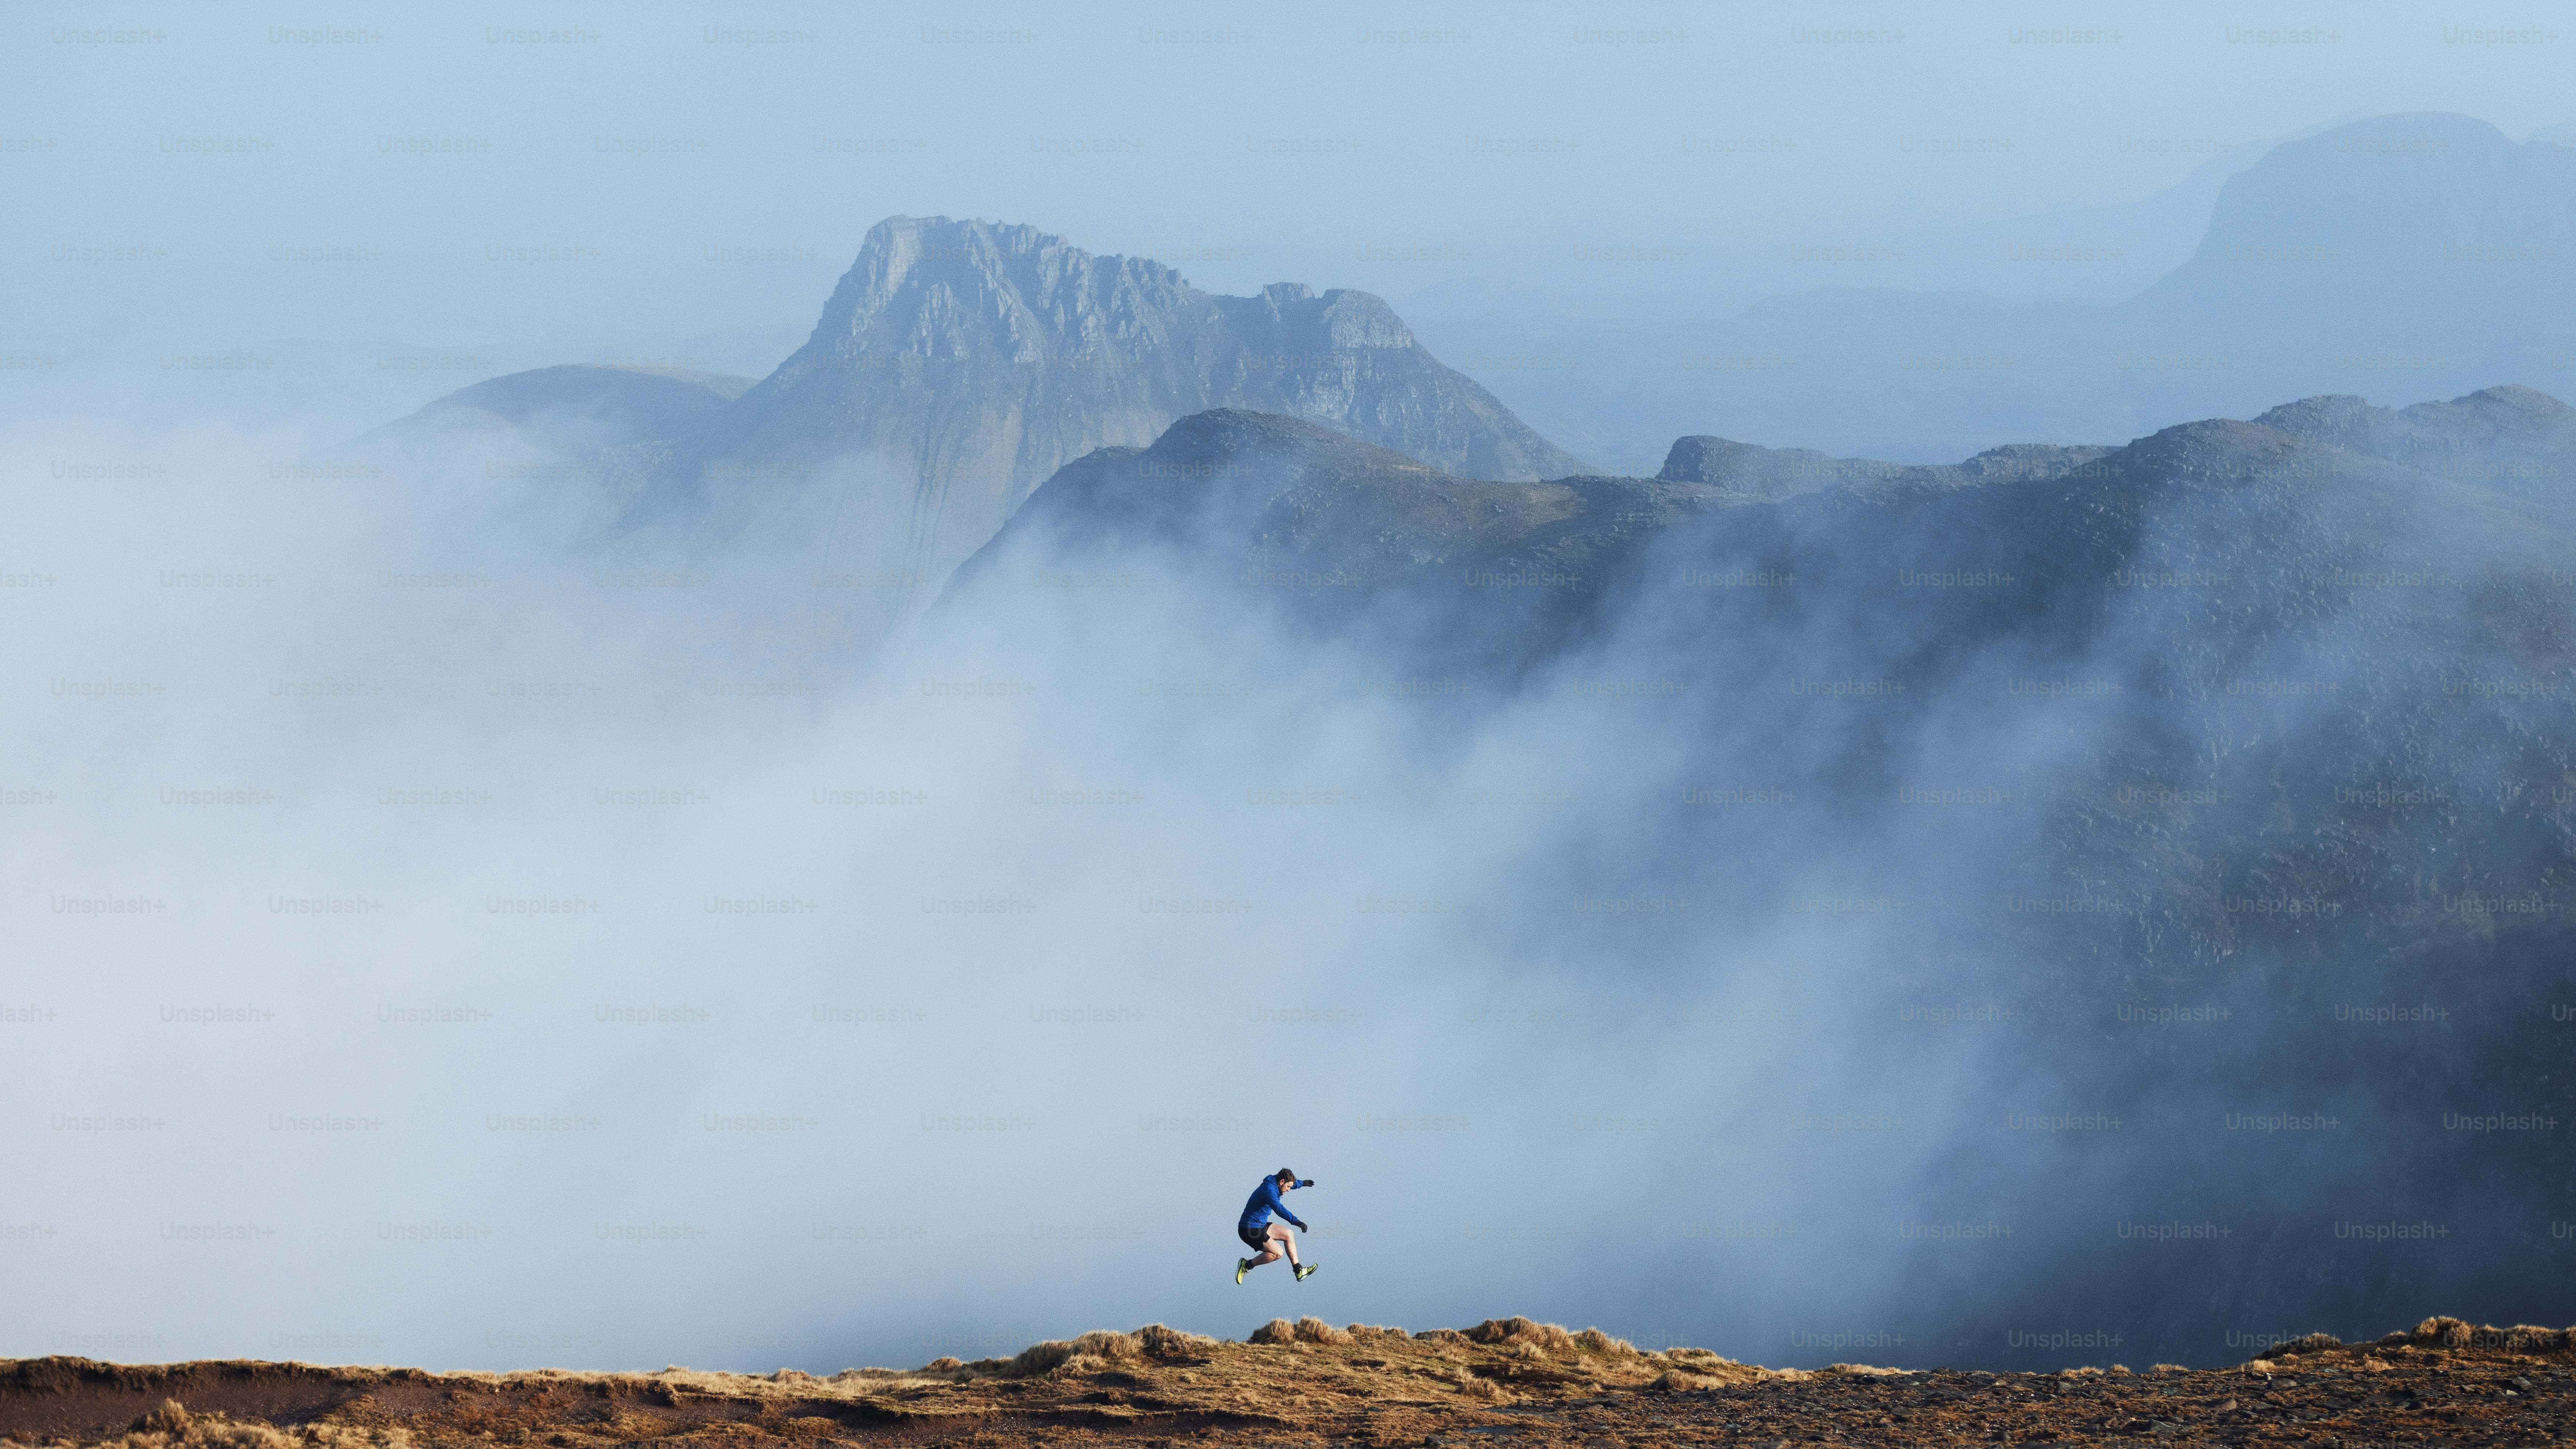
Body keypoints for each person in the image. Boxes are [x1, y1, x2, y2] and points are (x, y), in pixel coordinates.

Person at [1234, 1167, 1316, 1283]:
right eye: (1288, 1187)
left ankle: (1299, 1271)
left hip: (1260, 1225)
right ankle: (1246, 1265)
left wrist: (1302, 1183)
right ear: (1282, 1182)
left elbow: (1290, 1183)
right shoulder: (1269, 1191)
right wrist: (1296, 1221)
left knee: (1289, 1234)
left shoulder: (1277, 1181)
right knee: (1278, 1253)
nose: (1289, 1190)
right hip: (1248, 1230)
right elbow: (1279, 1209)